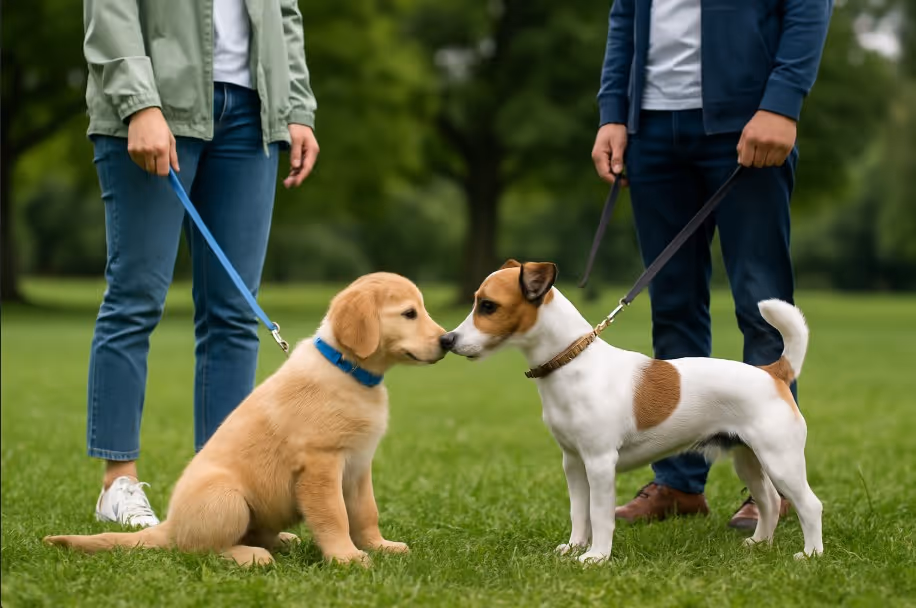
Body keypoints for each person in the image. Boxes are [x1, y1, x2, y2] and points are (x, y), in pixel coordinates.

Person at [591, 0, 831, 530]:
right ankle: (678, 483)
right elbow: (624, 15)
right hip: (650, 129)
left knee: (762, 305)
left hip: (748, 118)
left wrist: (782, 102)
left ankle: (771, 489)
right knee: (672, 308)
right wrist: (613, 111)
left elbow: (808, 7)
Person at [83, 0, 319, 527]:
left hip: (253, 113)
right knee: (135, 300)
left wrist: (297, 107)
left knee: (234, 314)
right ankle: (117, 484)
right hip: (158, 103)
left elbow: (285, 13)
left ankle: (222, 489)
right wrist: (139, 103)